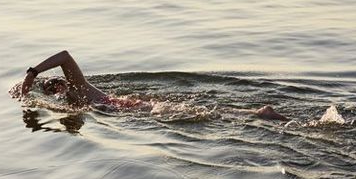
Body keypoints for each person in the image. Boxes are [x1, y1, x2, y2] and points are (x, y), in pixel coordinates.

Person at [19, 49, 290, 120]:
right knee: (196, 113)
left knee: (197, 114)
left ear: (62, 83)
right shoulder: (71, 103)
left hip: (131, 108)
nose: (61, 89)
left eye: (59, 85)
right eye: (55, 90)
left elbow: (65, 56)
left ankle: (258, 114)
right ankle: (254, 114)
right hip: (130, 110)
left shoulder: (80, 88)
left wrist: (33, 72)